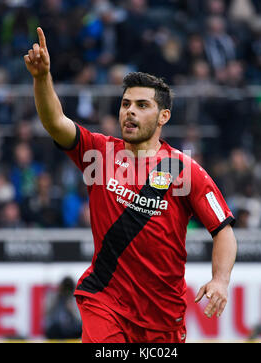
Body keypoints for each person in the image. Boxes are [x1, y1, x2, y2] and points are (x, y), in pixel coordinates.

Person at [24, 27, 237, 343]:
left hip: (163, 317)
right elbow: (55, 122)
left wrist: (220, 281)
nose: (130, 112)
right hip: (104, 301)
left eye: (141, 105)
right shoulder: (98, 152)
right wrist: (42, 78)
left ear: (163, 116)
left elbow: (223, 230)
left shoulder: (184, 170)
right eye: (126, 104)